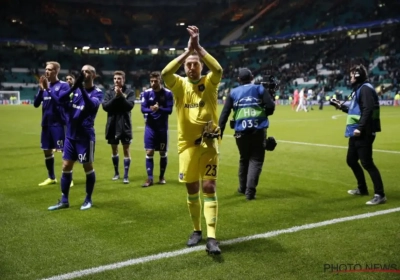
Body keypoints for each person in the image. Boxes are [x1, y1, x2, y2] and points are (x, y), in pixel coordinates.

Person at [161, 25, 222, 255]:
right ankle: (196, 230)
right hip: (186, 146)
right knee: (192, 188)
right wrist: (187, 52)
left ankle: (212, 237)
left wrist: (199, 48)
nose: (192, 67)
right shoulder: (179, 85)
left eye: (195, 63)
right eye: (189, 64)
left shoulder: (210, 82)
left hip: (209, 144)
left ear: (201, 66)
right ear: (185, 66)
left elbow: (218, 69)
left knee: (209, 186)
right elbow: (165, 73)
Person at [47, 65, 103, 210]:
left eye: (88, 72)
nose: (84, 73)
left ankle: (88, 199)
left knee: (87, 166)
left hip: (85, 137)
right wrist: (74, 88)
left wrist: (81, 89)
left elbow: (91, 106)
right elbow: (60, 100)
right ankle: (64, 200)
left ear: (94, 76)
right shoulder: (75, 90)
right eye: (83, 71)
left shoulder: (97, 93)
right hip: (70, 136)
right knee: (66, 166)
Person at [330, 64, 386, 205]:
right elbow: (355, 110)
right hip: (356, 131)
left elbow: (368, 109)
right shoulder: (360, 89)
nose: (350, 78)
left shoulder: (365, 89)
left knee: (367, 163)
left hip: (363, 131)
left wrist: (360, 128)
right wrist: (340, 105)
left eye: (351, 76)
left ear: (357, 75)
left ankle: (380, 194)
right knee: (351, 160)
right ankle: (362, 188)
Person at [219, 68, 275, 200]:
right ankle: (250, 192)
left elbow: (224, 115)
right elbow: (271, 106)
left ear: (239, 80)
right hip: (258, 131)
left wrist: (219, 133)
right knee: (256, 159)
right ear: (252, 77)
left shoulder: (233, 93)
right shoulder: (259, 89)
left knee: (244, 158)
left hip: (240, 133)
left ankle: (242, 188)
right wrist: (262, 114)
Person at [33, 61, 71, 186]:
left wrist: (48, 90)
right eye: (46, 69)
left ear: (56, 71)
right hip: (46, 124)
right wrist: (41, 89)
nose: (46, 71)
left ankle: (68, 178)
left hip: (59, 124)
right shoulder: (45, 86)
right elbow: (36, 104)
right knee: (47, 151)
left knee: (65, 152)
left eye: (49, 69)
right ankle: (51, 177)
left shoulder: (64, 86)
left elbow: (60, 101)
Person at [140, 71, 174, 187]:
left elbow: (169, 110)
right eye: (151, 81)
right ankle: (149, 178)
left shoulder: (168, 93)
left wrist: (158, 109)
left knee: (163, 152)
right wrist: (153, 109)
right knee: (149, 152)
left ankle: (161, 176)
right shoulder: (146, 93)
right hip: (150, 127)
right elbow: (143, 109)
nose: (153, 83)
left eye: (155, 81)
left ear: (160, 80)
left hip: (162, 128)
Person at [102, 71, 135, 184]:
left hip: (125, 124)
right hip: (112, 124)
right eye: (115, 78)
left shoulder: (129, 92)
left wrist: (121, 96)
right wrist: (116, 97)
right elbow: (105, 107)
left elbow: (129, 106)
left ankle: (126, 175)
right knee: (114, 149)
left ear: (123, 80)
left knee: (126, 149)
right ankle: (116, 173)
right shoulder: (109, 92)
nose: (117, 80)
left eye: (119, 79)